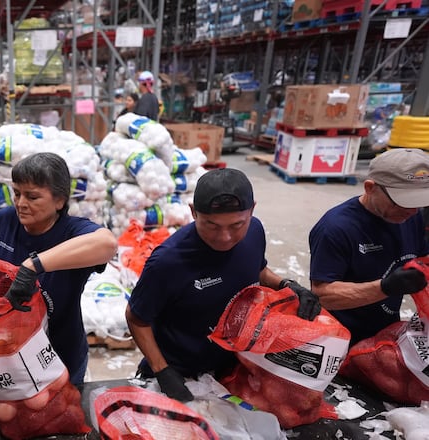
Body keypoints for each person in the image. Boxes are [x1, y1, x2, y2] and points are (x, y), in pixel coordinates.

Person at [126, 168, 321, 402]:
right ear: (193, 212)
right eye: (211, 225)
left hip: (231, 368)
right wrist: (163, 372)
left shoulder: (255, 232)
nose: (224, 237)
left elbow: (257, 269)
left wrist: (288, 285)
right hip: (178, 373)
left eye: (236, 225)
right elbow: (137, 318)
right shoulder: (168, 262)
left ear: (252, 211)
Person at [0, 152, 117, 386]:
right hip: (7, 353)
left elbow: (108, 244)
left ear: (60, 200)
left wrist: (33, 266)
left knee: (59, 416)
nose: (21, 203)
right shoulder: (6, 220)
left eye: (32, 196)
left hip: (59, 356)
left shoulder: (72, 231)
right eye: (17, 194)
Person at [309, 148, 429, 345]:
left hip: (386, 332)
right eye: (401, 202)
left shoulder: (411, 216)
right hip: (339, 337)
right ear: (370, 187)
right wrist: (385, 287)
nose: (411, 210)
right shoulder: (336, 228)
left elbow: (423, 258)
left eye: (418, 202)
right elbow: (323, 296)